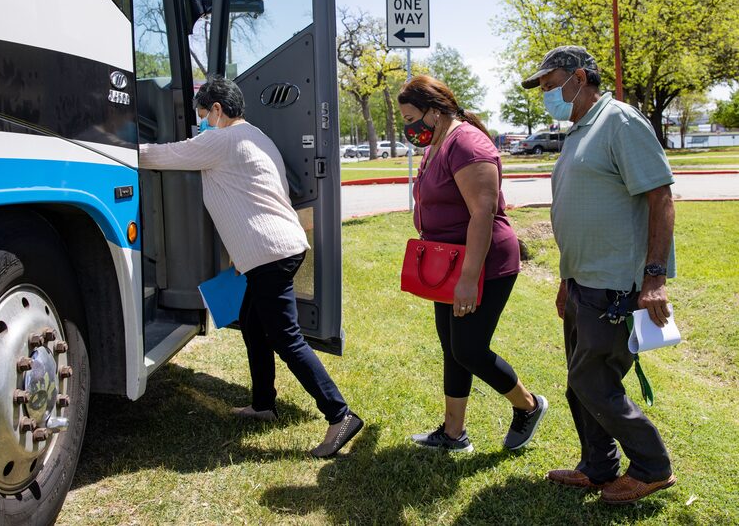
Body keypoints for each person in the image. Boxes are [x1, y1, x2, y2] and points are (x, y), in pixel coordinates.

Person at [139, 76, 362, 458]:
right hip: (278, 248)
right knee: (254, 325)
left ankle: (340, 414)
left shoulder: (220, 140)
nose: (201, 122)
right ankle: (263, 404)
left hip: (269, 252)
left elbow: (162, 155)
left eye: (203, 114)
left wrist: (114, 150)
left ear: (217, 110)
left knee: (286, 338)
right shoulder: (257, 136)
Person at [521, 45, 677, 504]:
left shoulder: (620, 121)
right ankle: (598, 466)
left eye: (552, 85)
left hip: (616, 285)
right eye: (544, 88)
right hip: (583, 282)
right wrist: (566, 280)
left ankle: (652, 466)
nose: (547, 95)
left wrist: (654, 278)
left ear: (581, 77)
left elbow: (661, 198)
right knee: (579, 381)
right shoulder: (577, 132)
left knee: (594, 382)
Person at [397, 75, 548, 453]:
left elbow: (482, 215)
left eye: (411, 116)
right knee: (452, 347)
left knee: (469, 348)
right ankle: (453, 433)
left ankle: (528, 406)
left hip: (484, 263)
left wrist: (467, 280)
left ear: (434, 112)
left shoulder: (467, 143)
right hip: (448, 261)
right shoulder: (438, 142)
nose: (408, 126)